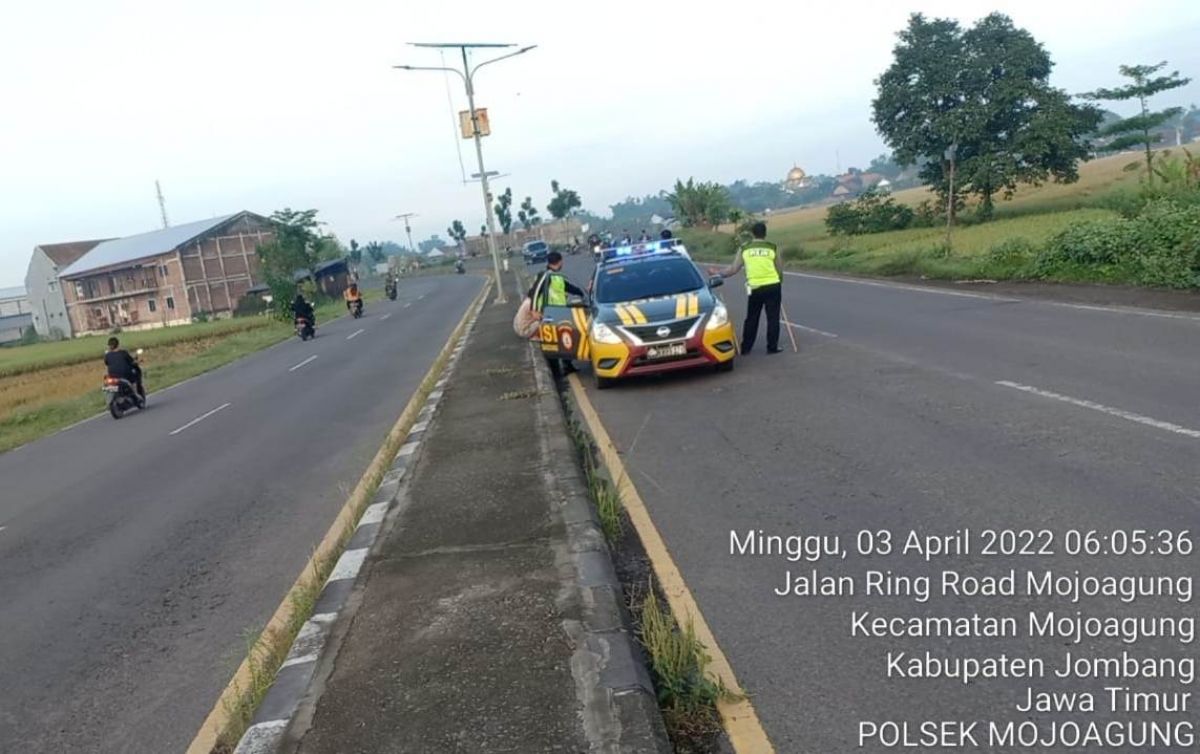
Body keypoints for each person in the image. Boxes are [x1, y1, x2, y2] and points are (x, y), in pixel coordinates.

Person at [710, 221, 783, 354]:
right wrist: (779, 282)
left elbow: (733, 269)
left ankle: (746, 348)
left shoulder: (745, 248)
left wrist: (718, 273)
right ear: (765, 234)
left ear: (752, 234)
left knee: (752, 317)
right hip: (773, 285)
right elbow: (779, 269)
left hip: (755, 288)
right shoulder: (772, 247)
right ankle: (772, 347)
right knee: (773, 317)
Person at [528, 251, 586, 376]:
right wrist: (534, 310)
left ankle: (567, 365)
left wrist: (581, 293)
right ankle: (556, 371)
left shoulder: (557, 276)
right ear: (559, 261)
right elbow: (535, 292)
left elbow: (567, 287)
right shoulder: (546, 276)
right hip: (548, 313)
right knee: (552, 343)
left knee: (563, 339)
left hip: (560, 312)